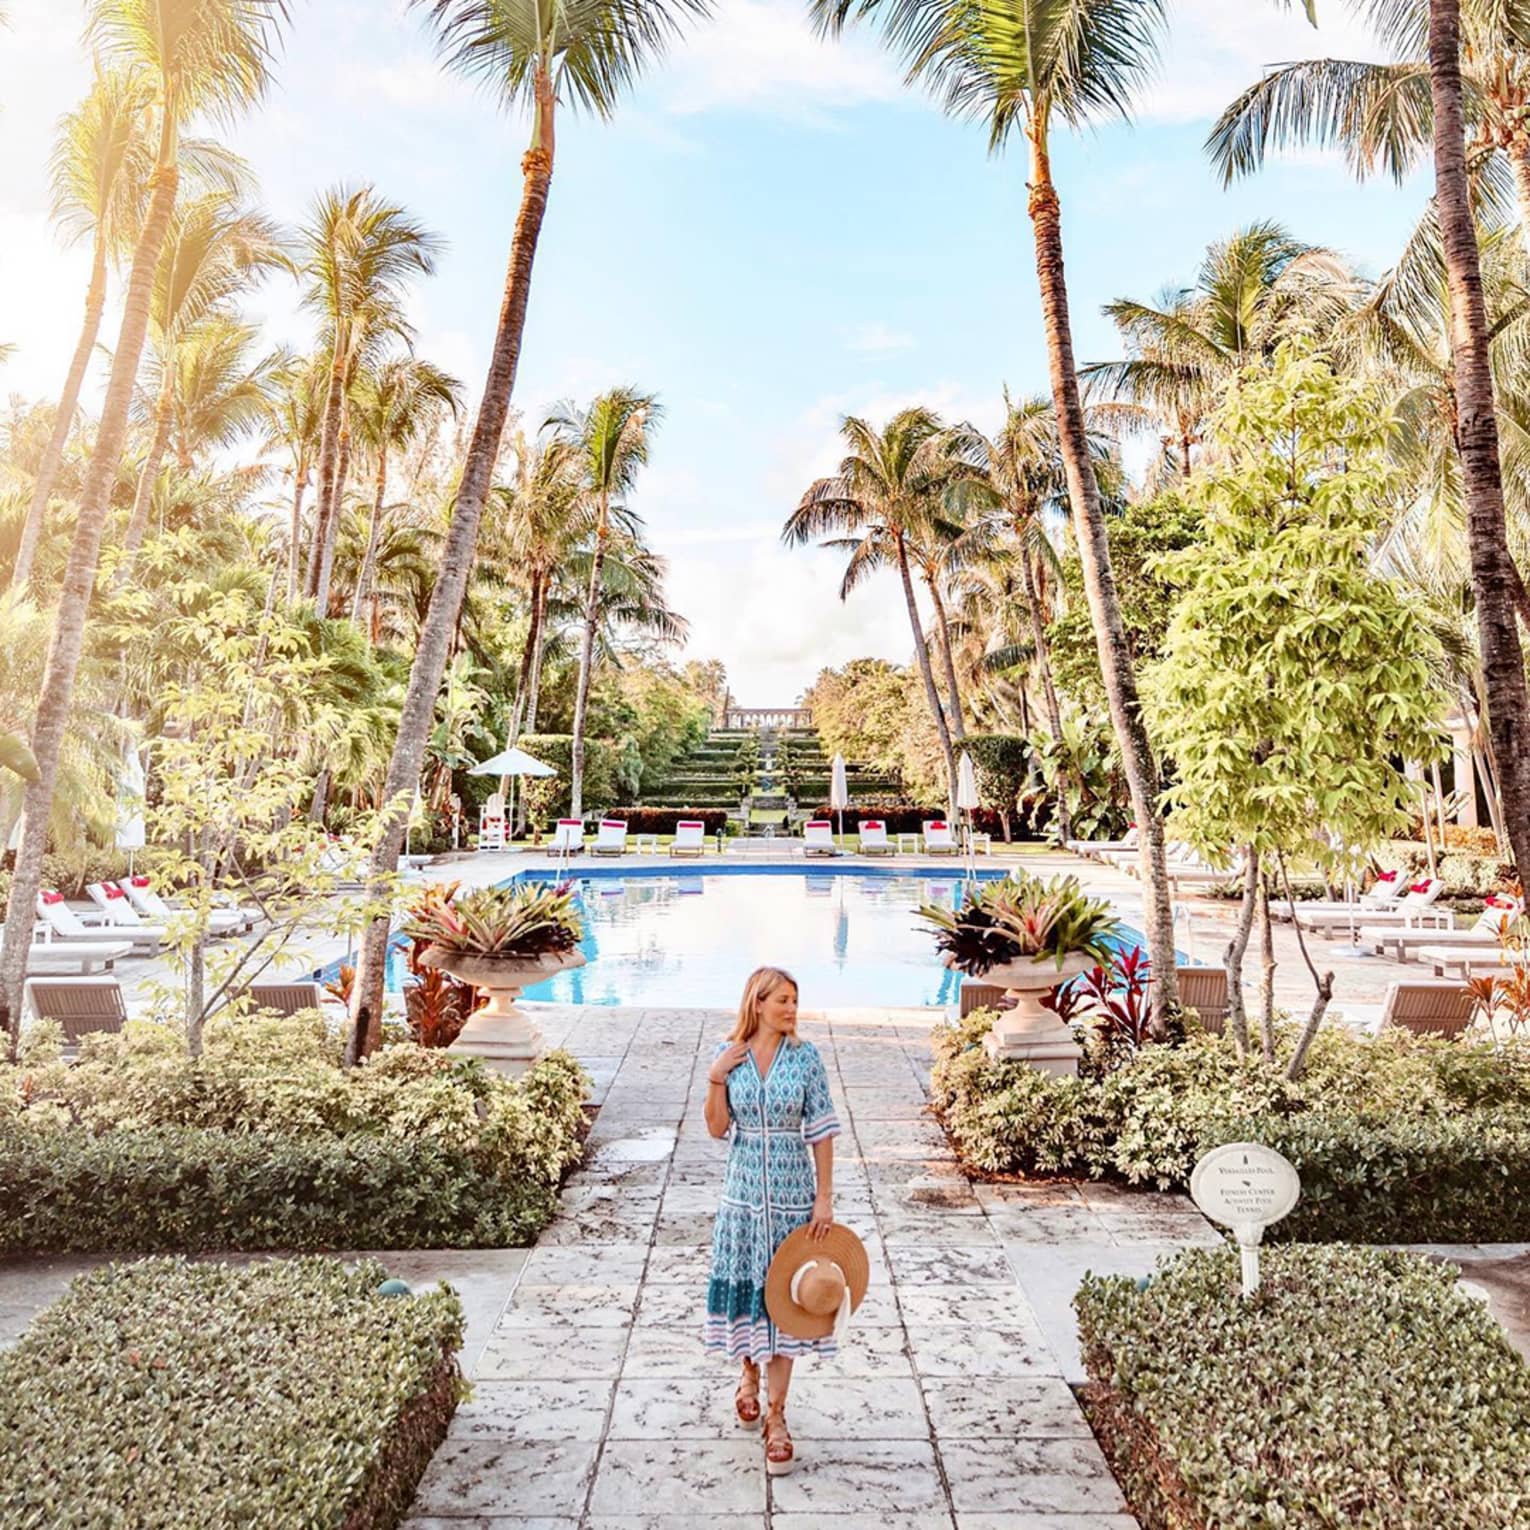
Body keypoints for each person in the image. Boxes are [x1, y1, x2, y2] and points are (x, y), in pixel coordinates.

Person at [702, 966, 840, 1475]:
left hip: (791, 1199)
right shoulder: (730, 1055)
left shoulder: (806, 1058)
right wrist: (716, 1076)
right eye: (782, 1000)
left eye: (794, 1001)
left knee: (786, 1305)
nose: (791, 1009)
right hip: (741, 1201)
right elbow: (717, 1128)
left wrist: (823, 1198)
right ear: (757, 1003)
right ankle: (748, 1375)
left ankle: (777, 1418)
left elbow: (822, 1130)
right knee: (748, 1298)